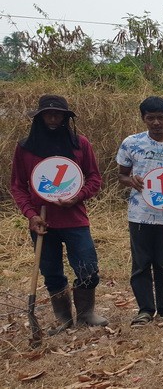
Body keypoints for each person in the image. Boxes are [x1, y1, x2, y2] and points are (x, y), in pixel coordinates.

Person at [10, 95, 107, 333]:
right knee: (51, 271)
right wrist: (31, 214)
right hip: (42, 222)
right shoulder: (25, 148)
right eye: (48, 114)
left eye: (58, 114)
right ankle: (63, 317)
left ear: (65, 117)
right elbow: (18, 186)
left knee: (88, 268)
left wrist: (78, 196)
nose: (53, 118)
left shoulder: (79, 144)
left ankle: (86, 313)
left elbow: (94, 178)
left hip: (74, 219)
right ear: (40, 116)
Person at [116, 96, 163, 326]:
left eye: (161, 117)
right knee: (141, 263)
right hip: (139, 214)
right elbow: (121, 174)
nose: (156, 123)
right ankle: (145, 309)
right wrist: (132, 181)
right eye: (151, 118)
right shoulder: (131, 143)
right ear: (143, 119)